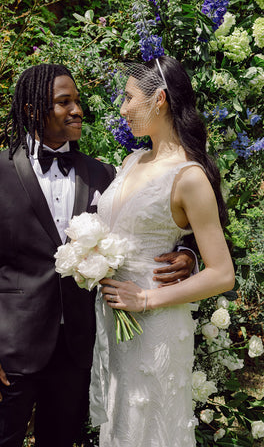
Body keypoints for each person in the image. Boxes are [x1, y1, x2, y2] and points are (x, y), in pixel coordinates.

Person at [0, 63, 195, 447]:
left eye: (78, 101)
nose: (77, 110)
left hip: (77, 350)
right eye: (64, 102)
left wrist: (186, 251)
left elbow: (153, 216)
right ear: (34, 110)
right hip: (8, 352)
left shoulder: (103, 174)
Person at [89, 56, 235, 447]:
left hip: (156, 323)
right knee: (122, 425)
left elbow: (222, 273)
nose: (122, 110)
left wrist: (147, 298)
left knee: (151, 427)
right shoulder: (131, 160)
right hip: (117, 322)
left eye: (129, 98)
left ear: (160, 100)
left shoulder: (189, 177)